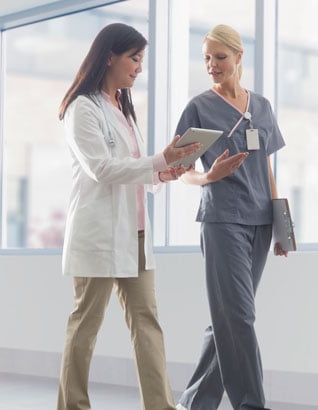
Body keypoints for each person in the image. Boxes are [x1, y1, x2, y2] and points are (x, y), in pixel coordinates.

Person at [56, 22, 200, 410]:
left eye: (141, 61)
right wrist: (158, 160)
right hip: (99, 235)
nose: (139, 68)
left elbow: (133, 168)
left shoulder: (124, 109)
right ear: (109, 57)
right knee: (85, 328)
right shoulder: (80, 109)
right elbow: (102, 169)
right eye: (134, 59)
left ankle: (160, 406)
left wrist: (164, 172)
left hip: (134, 235)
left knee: (147, 324)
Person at [174, 24, 288, 410]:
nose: (211, 65)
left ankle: (194, 403)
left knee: (227, 320)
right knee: (239, 318)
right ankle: (252, 405)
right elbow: (179, 169)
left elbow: (268, 168)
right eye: (206, 58)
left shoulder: (262, 107)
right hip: (222, 220)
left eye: (220, 58)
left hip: (260, 222)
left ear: (239, 58)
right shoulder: (199, 107)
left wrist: (282, 227)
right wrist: (209, 176)